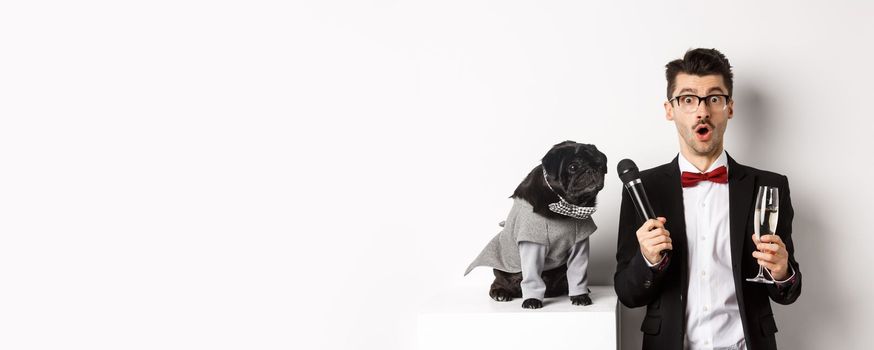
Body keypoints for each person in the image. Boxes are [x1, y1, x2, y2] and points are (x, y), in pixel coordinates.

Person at [614, 48, 802, 350]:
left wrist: (782, 273)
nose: (702, 111)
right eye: (688, 99)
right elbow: (628, 293)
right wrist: (647, 260)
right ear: (669, 109)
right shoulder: (641, 188)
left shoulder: (769, 186)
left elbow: (788, 293)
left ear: (729, 108)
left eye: (714, 98)